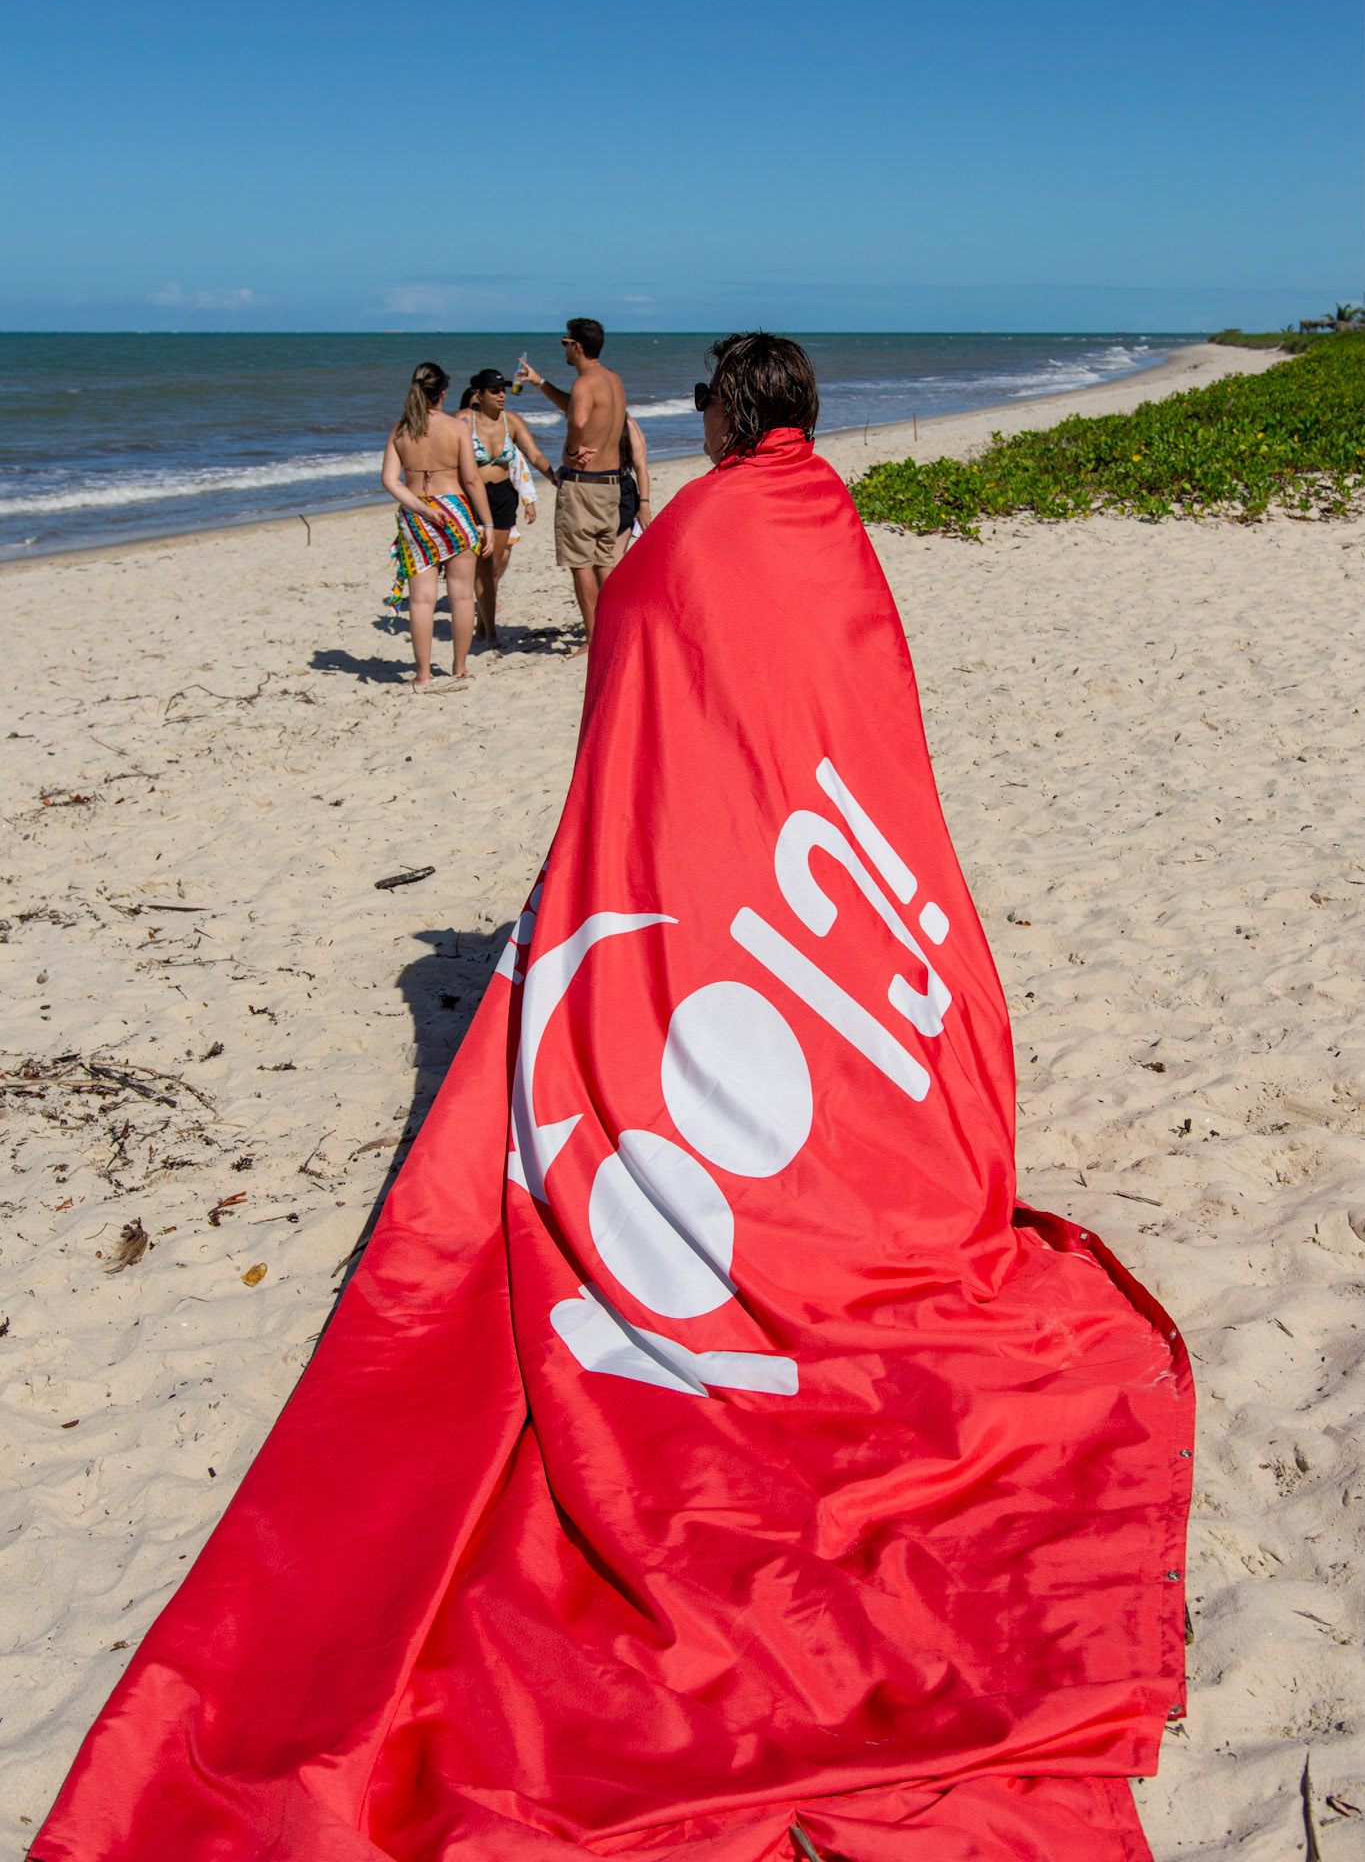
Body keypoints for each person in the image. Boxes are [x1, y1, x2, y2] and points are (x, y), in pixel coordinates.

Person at [39, 327, 1192, 1862]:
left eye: (705, 405)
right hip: (816, 881)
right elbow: (847, 705)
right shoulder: (828, 521)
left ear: (721, 414)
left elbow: (648, 718)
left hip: (740, 891)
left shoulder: (705, 529)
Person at [515, 318, 626, 652]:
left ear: (576, 346)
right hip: (611, 482)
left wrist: (575, 449)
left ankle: (594, 638)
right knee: (604, 561)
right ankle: (614, 628)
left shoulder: (584, 383)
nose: (563, 347)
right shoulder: (612, 380)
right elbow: (579, 411)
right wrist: (540, 383)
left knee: (581, 564)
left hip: (583, 484)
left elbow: (578, 420)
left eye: (564, 341)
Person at [380, 361, 494, 688]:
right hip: (456, 510)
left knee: (421, 600)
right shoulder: (457, 427)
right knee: (460, 596)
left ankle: (423, 675)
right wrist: (486, 523)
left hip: (417, 517)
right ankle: (459, 668)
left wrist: (422, 509)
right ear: (443, 393)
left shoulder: (400, 430)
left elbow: (390, 480)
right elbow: (472, 480)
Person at [453, 369, 559, 648]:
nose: (502, 395)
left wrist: (554, 477)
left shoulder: (511, 421)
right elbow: (441, 452)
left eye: (504, 390)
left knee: (494, 564)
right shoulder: (463, 420)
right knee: (484, 565)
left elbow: (533, 453)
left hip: (502, 497)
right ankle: (490, 632)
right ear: (479, 393)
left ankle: (482, 622)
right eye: (495, 391)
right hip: (471, 497)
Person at [615, 411, 651, 558]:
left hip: (623, 491)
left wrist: (644, 505)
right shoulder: (591, 421)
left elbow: (641, 468)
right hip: (594, 489)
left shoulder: (628, 425)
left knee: (614, 557)